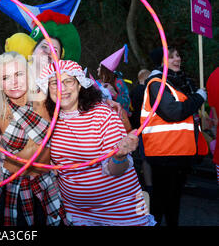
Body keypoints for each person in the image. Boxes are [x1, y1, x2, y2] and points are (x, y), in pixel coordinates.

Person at [41, 59, 155, 226]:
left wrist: (119, 155)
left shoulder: (102, 114)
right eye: (54, 83)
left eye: (68, 81)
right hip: (76, 213)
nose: (61, 88)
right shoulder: (49, 119)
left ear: (80, 84)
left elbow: (116, 169)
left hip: (121, 211)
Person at [0, 52, 67, 226]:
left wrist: (105, 103)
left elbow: (77, 105)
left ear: (28, 73)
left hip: (46, 183)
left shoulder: (47, 100)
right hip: (12, 187)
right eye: (5, 77)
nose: (14, 82)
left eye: (18, 74)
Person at [140, 46, 207, 226]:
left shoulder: (179, 82)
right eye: (171, 56)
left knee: (173, 201)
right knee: (161, 203)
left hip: (179, 152)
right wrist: (198, 98)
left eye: (178, 55)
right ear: (161, 61)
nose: (177, 59)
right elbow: (173, 112)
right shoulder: (157, 83)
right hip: (164, 153)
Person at [129, 69, 152, 193]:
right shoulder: (148, 91)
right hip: (148, 126)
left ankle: (146, 183)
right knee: (147, 157)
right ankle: (150, 184)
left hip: (136, 126)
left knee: (141, 156)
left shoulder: (133, 91)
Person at [97, 44, 131, 116]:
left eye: (99, 67)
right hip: (103, 118)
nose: (97, 69)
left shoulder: (119, 82)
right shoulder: (97, 83)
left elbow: (126, 103)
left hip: (119, 118)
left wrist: (113, 92)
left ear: (105, 70)